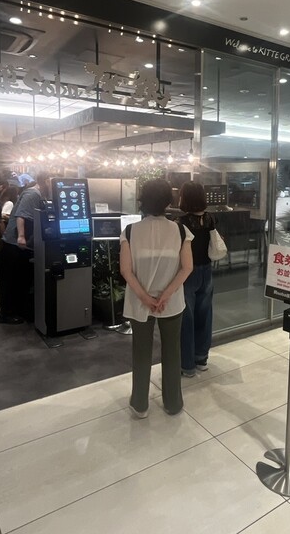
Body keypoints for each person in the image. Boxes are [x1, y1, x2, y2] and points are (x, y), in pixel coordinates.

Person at [120, 179, 193, 418]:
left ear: (143, 200)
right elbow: (187, 268)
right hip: (171, 302)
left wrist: (146, 298)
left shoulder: (130, 231)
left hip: (139, 302)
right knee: (172, 352)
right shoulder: (180, 231)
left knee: (141, 353)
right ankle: (173, 403)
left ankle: (140, 404)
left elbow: (126, 271)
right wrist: (165, 296)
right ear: (168, 201)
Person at [0, 171, 50, 325]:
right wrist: (21, 236)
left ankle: (18, 310)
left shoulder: (39, 194)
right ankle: (6, 314)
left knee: (20, 279)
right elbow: (22, 215)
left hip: (22, 245)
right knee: (12, 280)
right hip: (15, 244)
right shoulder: (33, 194)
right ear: (46, 180)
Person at [177, 182, 216, 377]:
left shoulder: (180, 222)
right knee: (205, 315)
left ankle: (187, 365)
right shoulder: (210, 218)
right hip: (206, 270)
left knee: (187, 318)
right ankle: (202, 359)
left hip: (187, 273)